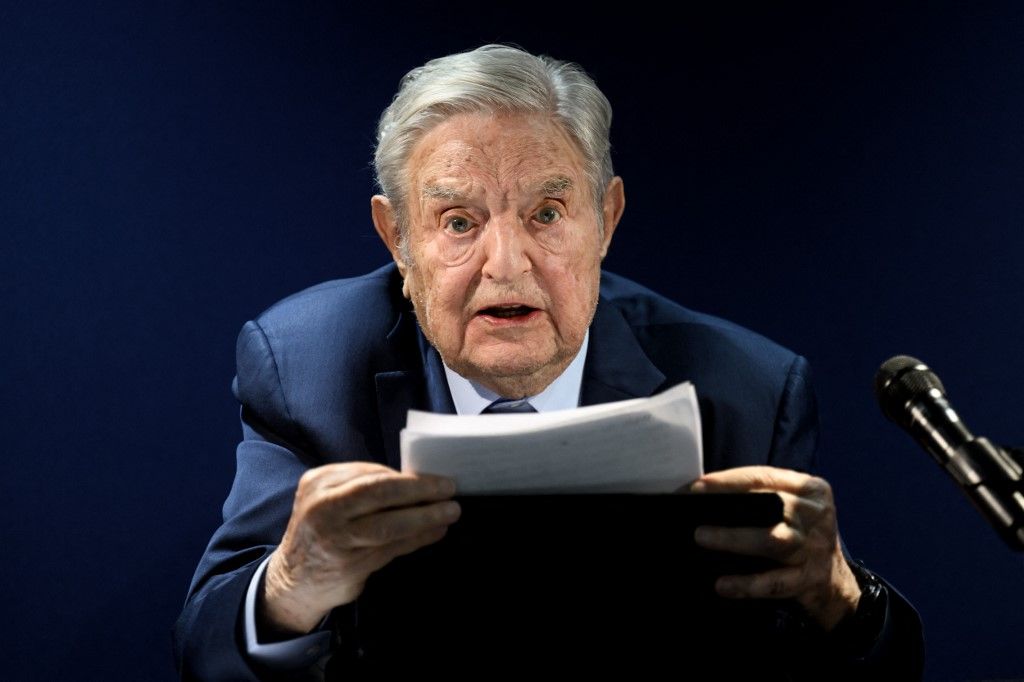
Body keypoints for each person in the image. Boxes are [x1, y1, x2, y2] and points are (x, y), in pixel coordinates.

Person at [174, 44, 924, 680]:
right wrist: (290, 584)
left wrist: (840, 598)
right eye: (458, 222)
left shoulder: (744, 391)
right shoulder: (307, 368)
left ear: (606, 220)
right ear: (397, 238)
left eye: (547, 214)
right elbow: (205, 651)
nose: (507, 264)